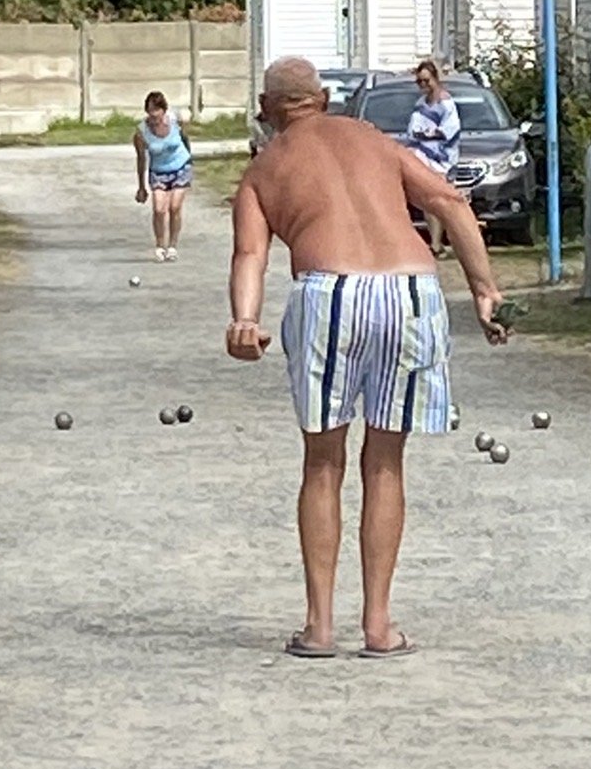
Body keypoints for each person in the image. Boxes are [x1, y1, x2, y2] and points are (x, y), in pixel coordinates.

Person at [226, 55, 506, 659]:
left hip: (329, 292)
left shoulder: (264, 170)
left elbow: (250, 256)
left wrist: (245, 319)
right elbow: (452, 205)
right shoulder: (375, 140)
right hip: (410, 291)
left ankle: (320, 628)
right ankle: (378, 626)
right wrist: (484, 290)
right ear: (323, 98)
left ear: (264, 111)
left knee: (322, 464)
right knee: (386, 461)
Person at [404, 57, 462, 257]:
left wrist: (434, 134)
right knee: (429, 202)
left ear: (435, 79)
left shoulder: (446, 104)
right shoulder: (420, 104)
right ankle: (435, 244)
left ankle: (457, 242)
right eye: (419, 82)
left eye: (426, 81)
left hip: (441, 160)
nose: (423, 85)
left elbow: (451, 130)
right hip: (423, 159)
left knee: (444, 202)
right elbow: (413, 130)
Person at [133, 88, 193, 259]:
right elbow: (141, 159)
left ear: (164, 110)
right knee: (159, 209)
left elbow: (185, 138)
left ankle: (173, 245)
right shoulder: (141, 132)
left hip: (181, 167)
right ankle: (160, 245)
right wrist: (141, 187)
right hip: (159, 171)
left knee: (175, 206)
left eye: (157, 110)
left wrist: (190, 159)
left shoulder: (176, 120)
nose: (153, 114)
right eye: (150, 110)